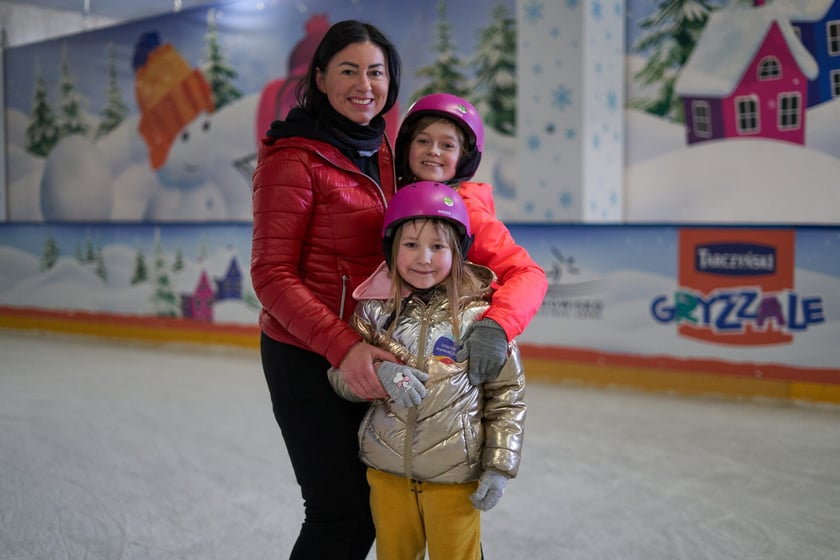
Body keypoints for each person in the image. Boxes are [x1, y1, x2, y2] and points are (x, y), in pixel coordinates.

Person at [250, 20, 402, 559]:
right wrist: (343, 345)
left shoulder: (385, 150)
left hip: (372, 352)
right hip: (307, 358)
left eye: (376, 72)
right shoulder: (293, 157)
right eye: (348, 70)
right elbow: (270, 274)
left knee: (378, 505)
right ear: (319, 78)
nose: (365, 84)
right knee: (341, 513)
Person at [328, 181, 527, 560]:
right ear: (392, 250)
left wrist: (500, 466)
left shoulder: (481, 320)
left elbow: (507, 399)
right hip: (387, 474)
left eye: (438, 246)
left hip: (455, 479)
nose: (424, 258)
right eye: (411, 245)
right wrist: (378, 375)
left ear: (459, 252)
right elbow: (340, 378)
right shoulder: (373, 311)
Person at [394, 92, 548, 386]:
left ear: (463, 157)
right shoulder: (393, 202)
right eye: (423, 141)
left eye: (447, 145)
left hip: (451, 358)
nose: (433, 151)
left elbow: (528, 274)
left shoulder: (467, 212)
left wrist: (496, 325)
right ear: (407, 148)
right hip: (401, 351)